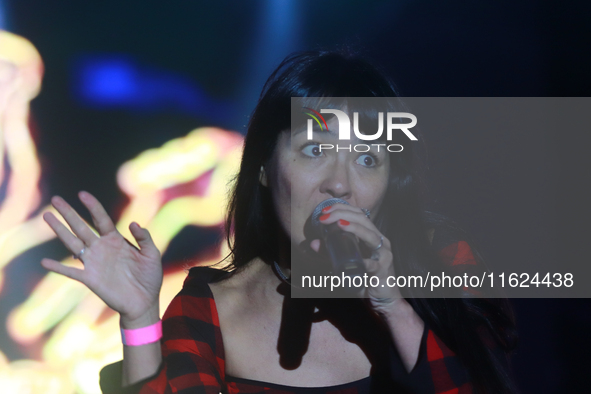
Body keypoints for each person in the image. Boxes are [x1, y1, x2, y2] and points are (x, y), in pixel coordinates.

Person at [41, 50, 517, 393]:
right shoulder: (211, 306)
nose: (340, 185)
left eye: (368, 159)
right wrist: (140, 318)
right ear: (265, 167)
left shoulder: (443, 264)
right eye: (315, 150)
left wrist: (393, 305)